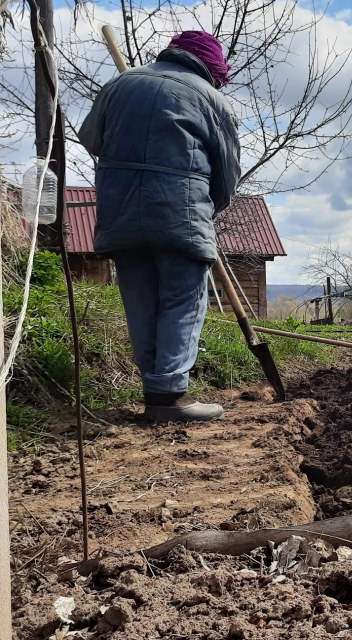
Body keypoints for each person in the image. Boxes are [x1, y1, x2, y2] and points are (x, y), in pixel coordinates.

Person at [79, 31, 240, 423]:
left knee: (140, 300)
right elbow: (227, 178)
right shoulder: (212, 100)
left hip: (119, 211)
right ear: (211, 67)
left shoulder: (120, 84)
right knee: (183, 300)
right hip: (180, 212)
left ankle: (156, 392)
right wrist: (204, 210)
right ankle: (168, 396)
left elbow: (91, 139)